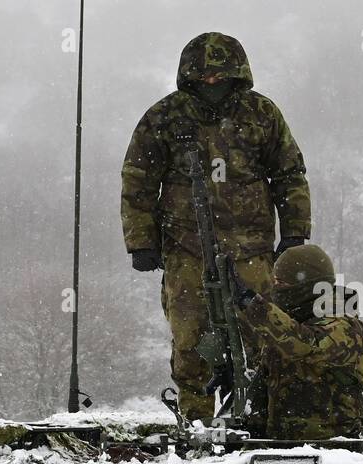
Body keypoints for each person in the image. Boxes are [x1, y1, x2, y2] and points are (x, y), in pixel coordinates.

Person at [121, 32, 311, 423]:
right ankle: (196, 423)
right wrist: (142, 242)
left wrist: (294, 235)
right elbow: (138, 180)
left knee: (262, 338)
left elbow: (289, 173)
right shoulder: (165, 116)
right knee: (191, 341)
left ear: (237, 74)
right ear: (189, 76)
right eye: (204, 77)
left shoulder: (262, 114)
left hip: (253, 249)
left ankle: (260, 419)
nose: (212, 84)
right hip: (185, 247)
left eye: (220, 77)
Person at [234, 243, 363, 442]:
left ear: (307, 285)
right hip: (280, 444)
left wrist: (252, 305)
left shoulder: (345, 325)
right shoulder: (287, 323)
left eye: (282, 283)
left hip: (332, 448)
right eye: (275, 281)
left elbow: (305, 346)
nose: (276, 288)